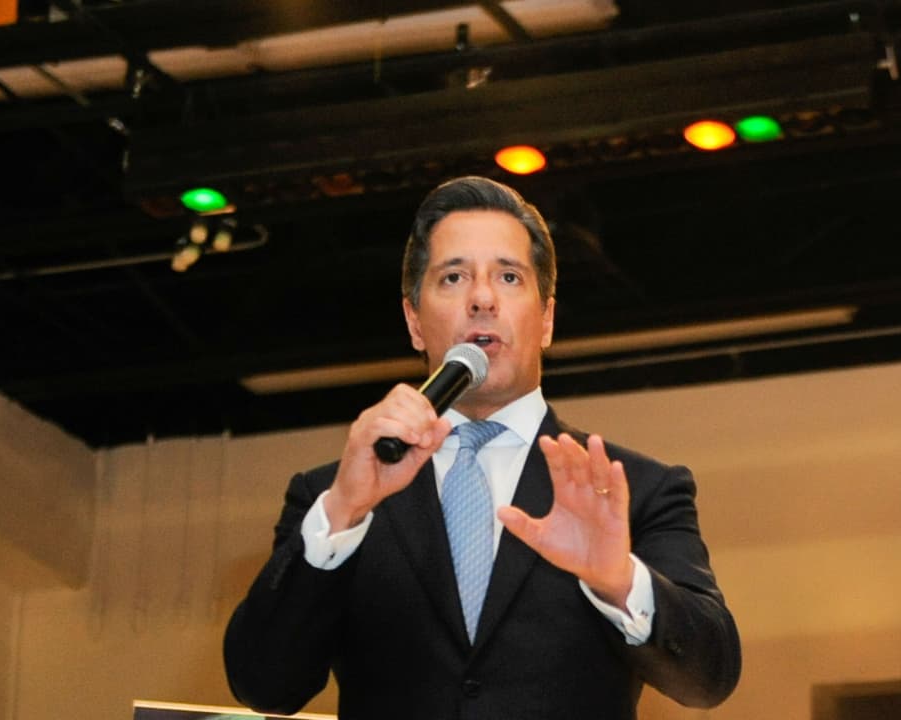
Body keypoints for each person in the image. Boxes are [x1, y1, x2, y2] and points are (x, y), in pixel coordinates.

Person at [223, 176, 741, 719]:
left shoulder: (632, 489)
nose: (482, 299)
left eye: (509, 276)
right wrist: (343, 513)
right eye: (453, 277)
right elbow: (262, 686)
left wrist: (619, 581)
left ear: (546, 319)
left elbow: (709, 680)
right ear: (414, 321)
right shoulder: (332, 496)